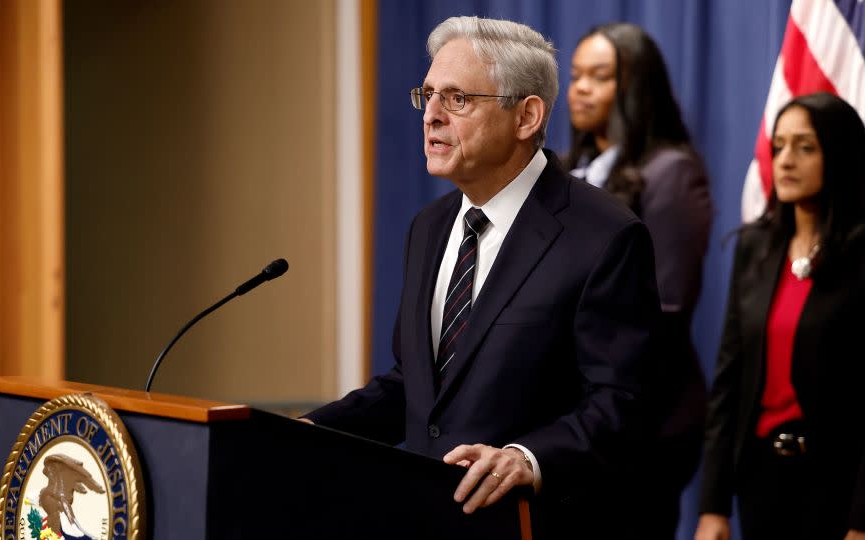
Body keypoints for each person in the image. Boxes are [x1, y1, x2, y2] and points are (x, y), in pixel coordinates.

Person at [304, 16, 666, 537]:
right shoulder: (428, 228)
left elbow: (624, 402)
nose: (430, 116)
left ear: (526, 116)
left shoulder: (605, 236)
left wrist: (528, 457)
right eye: (427, 95)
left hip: (533, 523)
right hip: (425, 516)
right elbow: (416, 387)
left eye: (456, 99)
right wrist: (305, 432)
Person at [695, 92, 865, 540]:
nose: (785, 160)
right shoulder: (756, 246)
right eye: (779, 146)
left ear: (841, 154)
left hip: (839, 486)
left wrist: (861, 520)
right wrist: (713, 506)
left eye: (805, 147)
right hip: (761, 481)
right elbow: (728, 384)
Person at [565, 22, 711, 537]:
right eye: (576, 74)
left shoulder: (672, 171)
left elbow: (668, 308)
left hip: (646, 422)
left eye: (599, 76)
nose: (579, 88)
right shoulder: (570, 170)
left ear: (634, 87)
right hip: (576, 419)